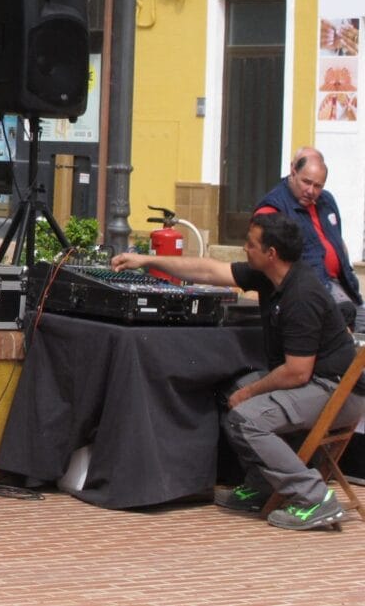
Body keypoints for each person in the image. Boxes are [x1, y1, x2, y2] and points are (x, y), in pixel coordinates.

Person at [111, 212, 365, 530]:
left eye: (251, 243)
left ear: (271, 253)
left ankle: (314, 497)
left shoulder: (302, 296)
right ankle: (262, 486)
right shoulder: (270, 276)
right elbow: (208, 269)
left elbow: (297, 373)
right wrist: (145, 261)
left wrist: (250, 393)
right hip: (314, 380)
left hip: (335, 391)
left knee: (246, 418)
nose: (245, 248)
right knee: (230, 391)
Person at [254, 147, 362, 330]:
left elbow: (337, 241)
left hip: (343, 283)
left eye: (318, 186)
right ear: (293, 172)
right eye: (306, 182)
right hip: (311, 289)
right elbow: (262, 256)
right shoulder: (273, 207)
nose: (311, 191)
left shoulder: (327, 201)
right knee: (344, 315)